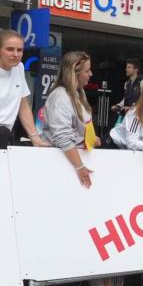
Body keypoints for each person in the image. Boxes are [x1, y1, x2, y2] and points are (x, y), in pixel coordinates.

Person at [42, 51, 100, 188]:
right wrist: (79, 167)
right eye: (87, 71)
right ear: (74, 73)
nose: (91, 74)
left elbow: (77, 128)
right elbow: (63, 136)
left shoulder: (79, 93)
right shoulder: (60, 97)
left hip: (73, 162)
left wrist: (90, 137)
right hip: (62, 164)